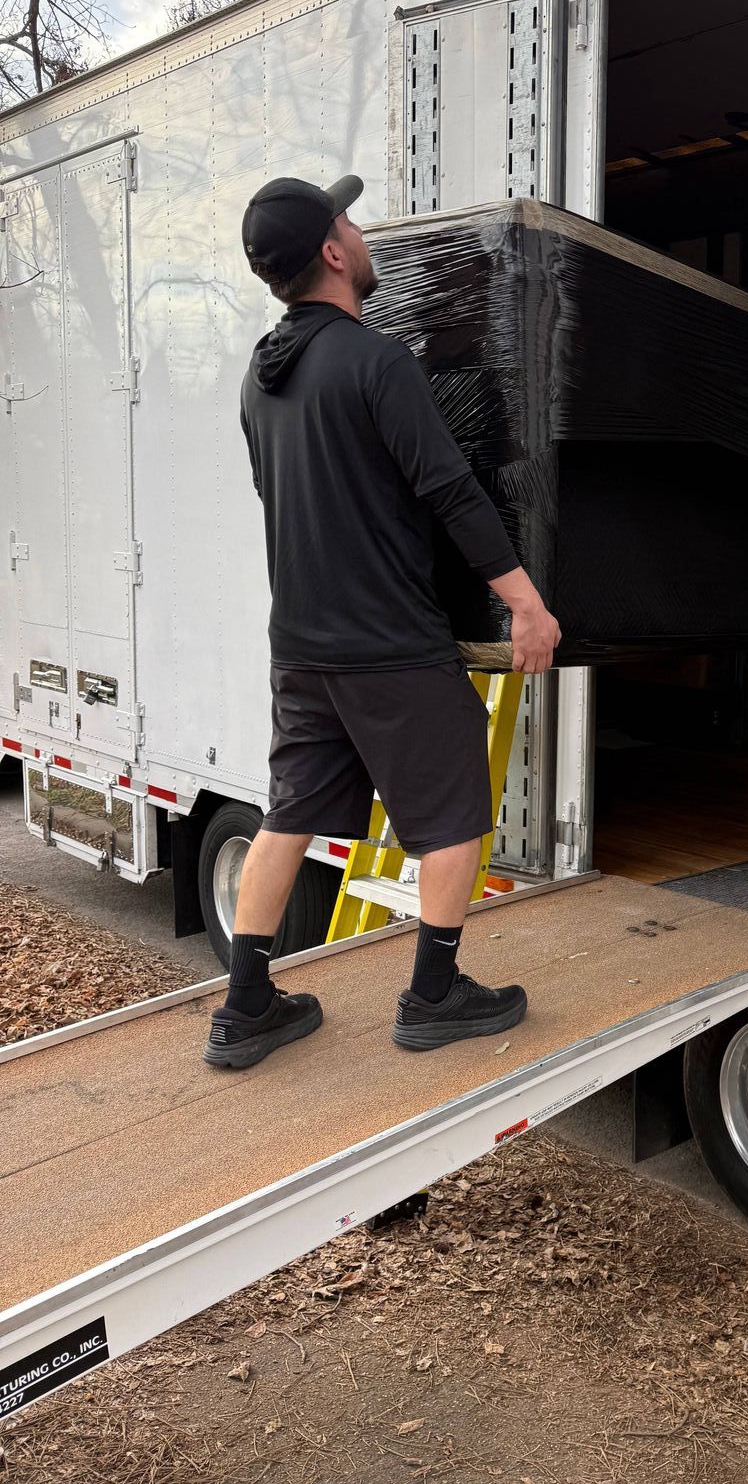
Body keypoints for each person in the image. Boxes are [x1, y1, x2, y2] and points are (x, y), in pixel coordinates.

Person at [205, 172, 561, 1070]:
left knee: (289, 814)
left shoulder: (261, 376)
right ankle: (435, 996)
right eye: (349, 221)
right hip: (389, 645)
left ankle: (246, 1006)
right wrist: (524, 601)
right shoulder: (377, 363)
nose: (362, 232)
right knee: (454, 818)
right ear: (332, 253)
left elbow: (273, 496)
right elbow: (452, 491)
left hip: (302, 646)